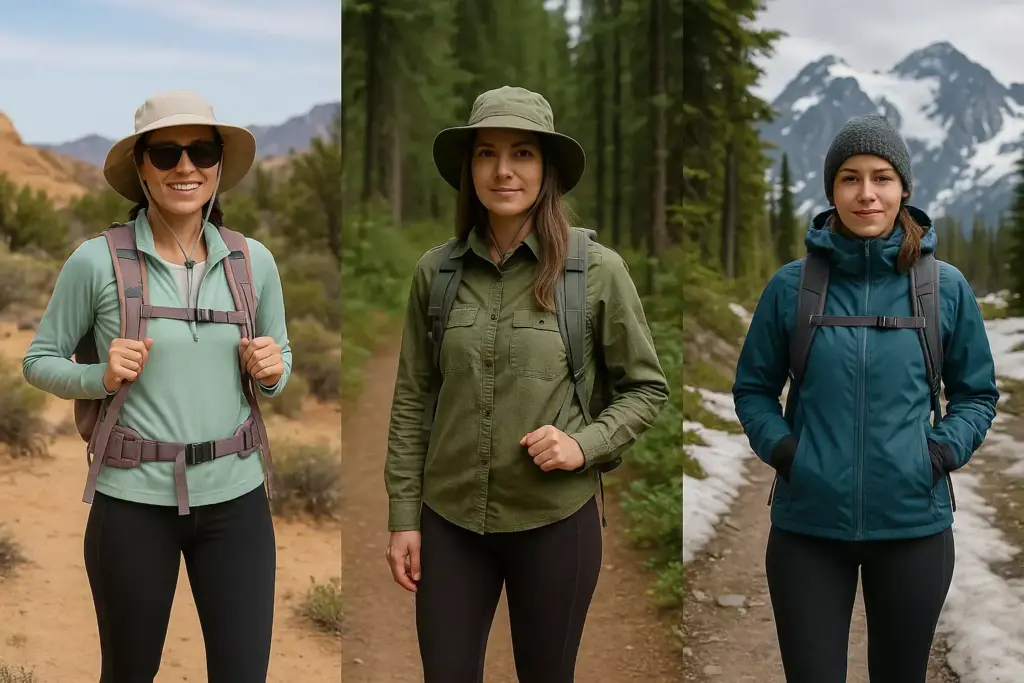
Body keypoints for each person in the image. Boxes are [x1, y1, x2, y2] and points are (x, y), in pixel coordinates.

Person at [382, 85, 669, 683]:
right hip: (450, 520)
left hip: (556, 522)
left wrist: (583, 444)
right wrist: (403, 515)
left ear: (548, 170)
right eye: (486, 153)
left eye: (523, 154)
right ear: (470, 169)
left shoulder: (596, 272)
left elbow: (647, 389)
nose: (503, 170)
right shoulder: (435, 273)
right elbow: (414, 398)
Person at [22, 90, 292, 683]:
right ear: (141, 167)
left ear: (220, 164)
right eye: (166, 153)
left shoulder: (255, 263)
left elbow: (281, 357)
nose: (186, 167)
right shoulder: (95, 263)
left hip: (237, 501)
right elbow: (37, 361)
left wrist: (274, 369)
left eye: (201, 151)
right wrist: (98, 374)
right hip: (131, 505)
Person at [732, 114, 998, 682]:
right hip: (807, 532)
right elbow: (754, 389)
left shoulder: (944, 288)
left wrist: (937, 454)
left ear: (903, 189)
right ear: (832, 190)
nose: (867, 193)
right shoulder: (792, 286)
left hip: (914, 531)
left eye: (881, 177)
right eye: (850, 178)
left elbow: (976, 394)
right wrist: (786, 452)